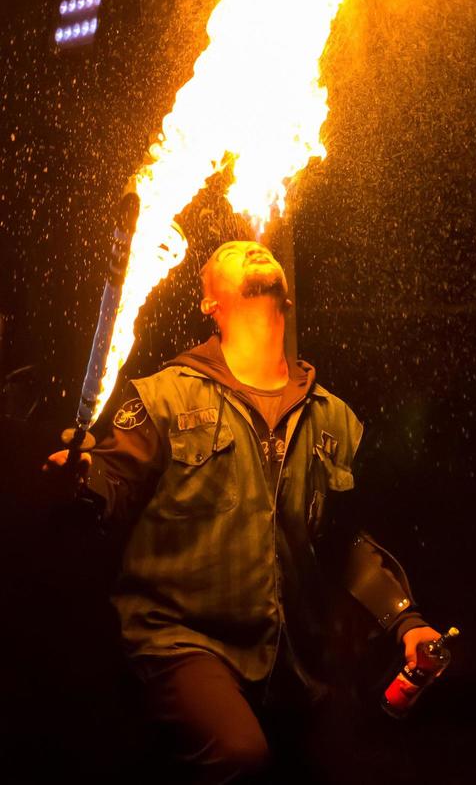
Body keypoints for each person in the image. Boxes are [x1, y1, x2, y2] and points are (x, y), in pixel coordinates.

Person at [48, 240, 442, 783]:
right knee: (240, 758)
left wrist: (405, 620)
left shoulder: (335, 418)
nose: (252, 250)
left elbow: (340, 540)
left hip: (295, 660)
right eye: (231, 252)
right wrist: (83, 478)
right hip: (183, 641)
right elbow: (110, 487)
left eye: (259, 248)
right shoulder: (165, 397)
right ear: (210, 301)